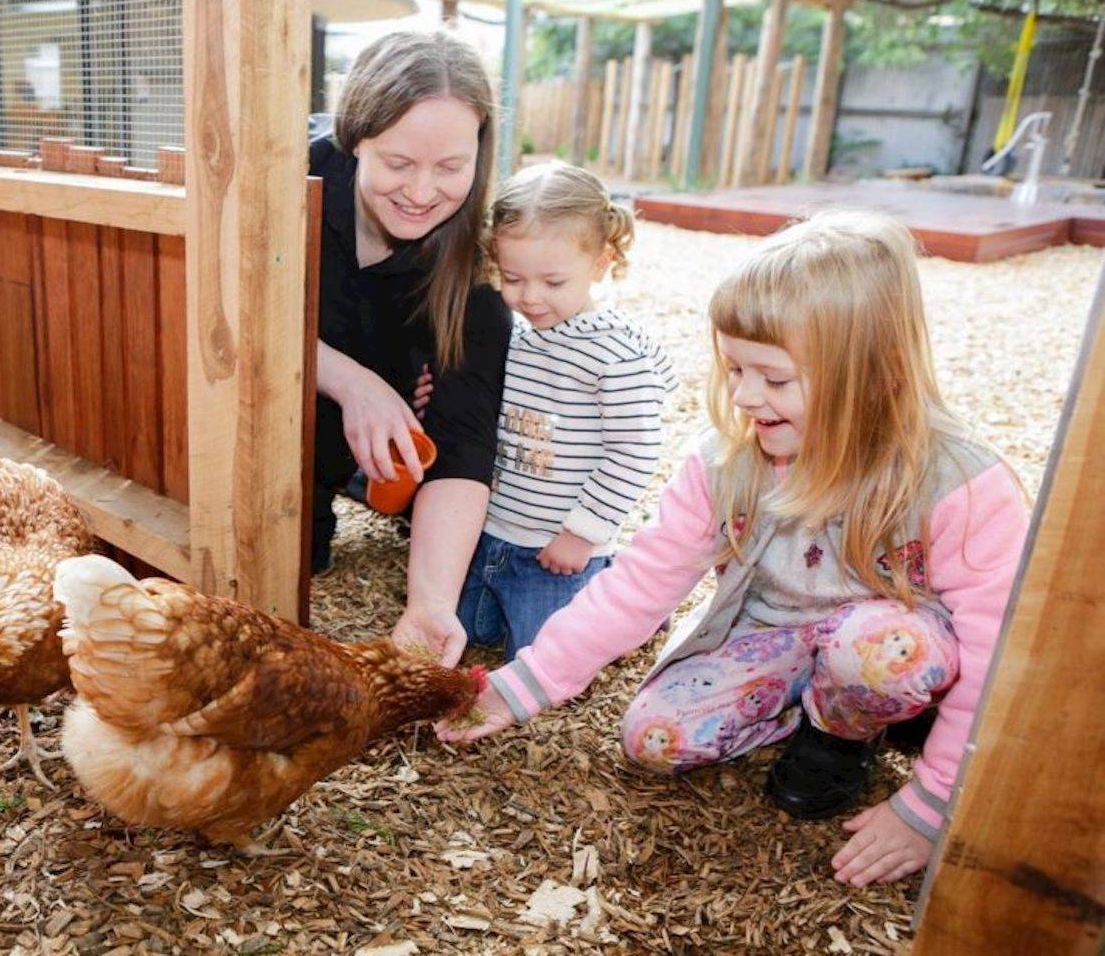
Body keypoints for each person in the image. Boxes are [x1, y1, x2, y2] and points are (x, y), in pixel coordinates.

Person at [440, 212, 1029, 888]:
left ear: (875, 375)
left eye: (775, 380)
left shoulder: (960, 483)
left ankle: (843, 734)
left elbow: (995, 652)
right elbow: (640, 584)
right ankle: (823, 706)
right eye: (735, 369)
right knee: (651, 740)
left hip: (887, 647)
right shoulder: (725, 460)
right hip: (776, 640)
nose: (746, 396)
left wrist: (931, 806)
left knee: (884, 654)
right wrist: (520, 687)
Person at [309, 31, 511, 666]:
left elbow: (466, 437)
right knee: (297, 557)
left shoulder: (476, 271)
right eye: (398, 163)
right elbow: (218, 319)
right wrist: (349, 381)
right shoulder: (290, 184)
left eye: (450, 168)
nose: (423, 193)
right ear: (355, 139)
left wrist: (430, 602)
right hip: (277, 433)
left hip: (381, 443)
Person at [457, 161, 675, 661]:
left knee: (541, 658)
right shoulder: (517, 333)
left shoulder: (614, 352)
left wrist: (582, 535)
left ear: (601, 261)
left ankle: (629, 599)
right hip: (495, 536)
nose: (530, 297)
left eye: (553, 282)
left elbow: (635, 449)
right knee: (467, 633)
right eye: (513, 278)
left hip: (560, 549)